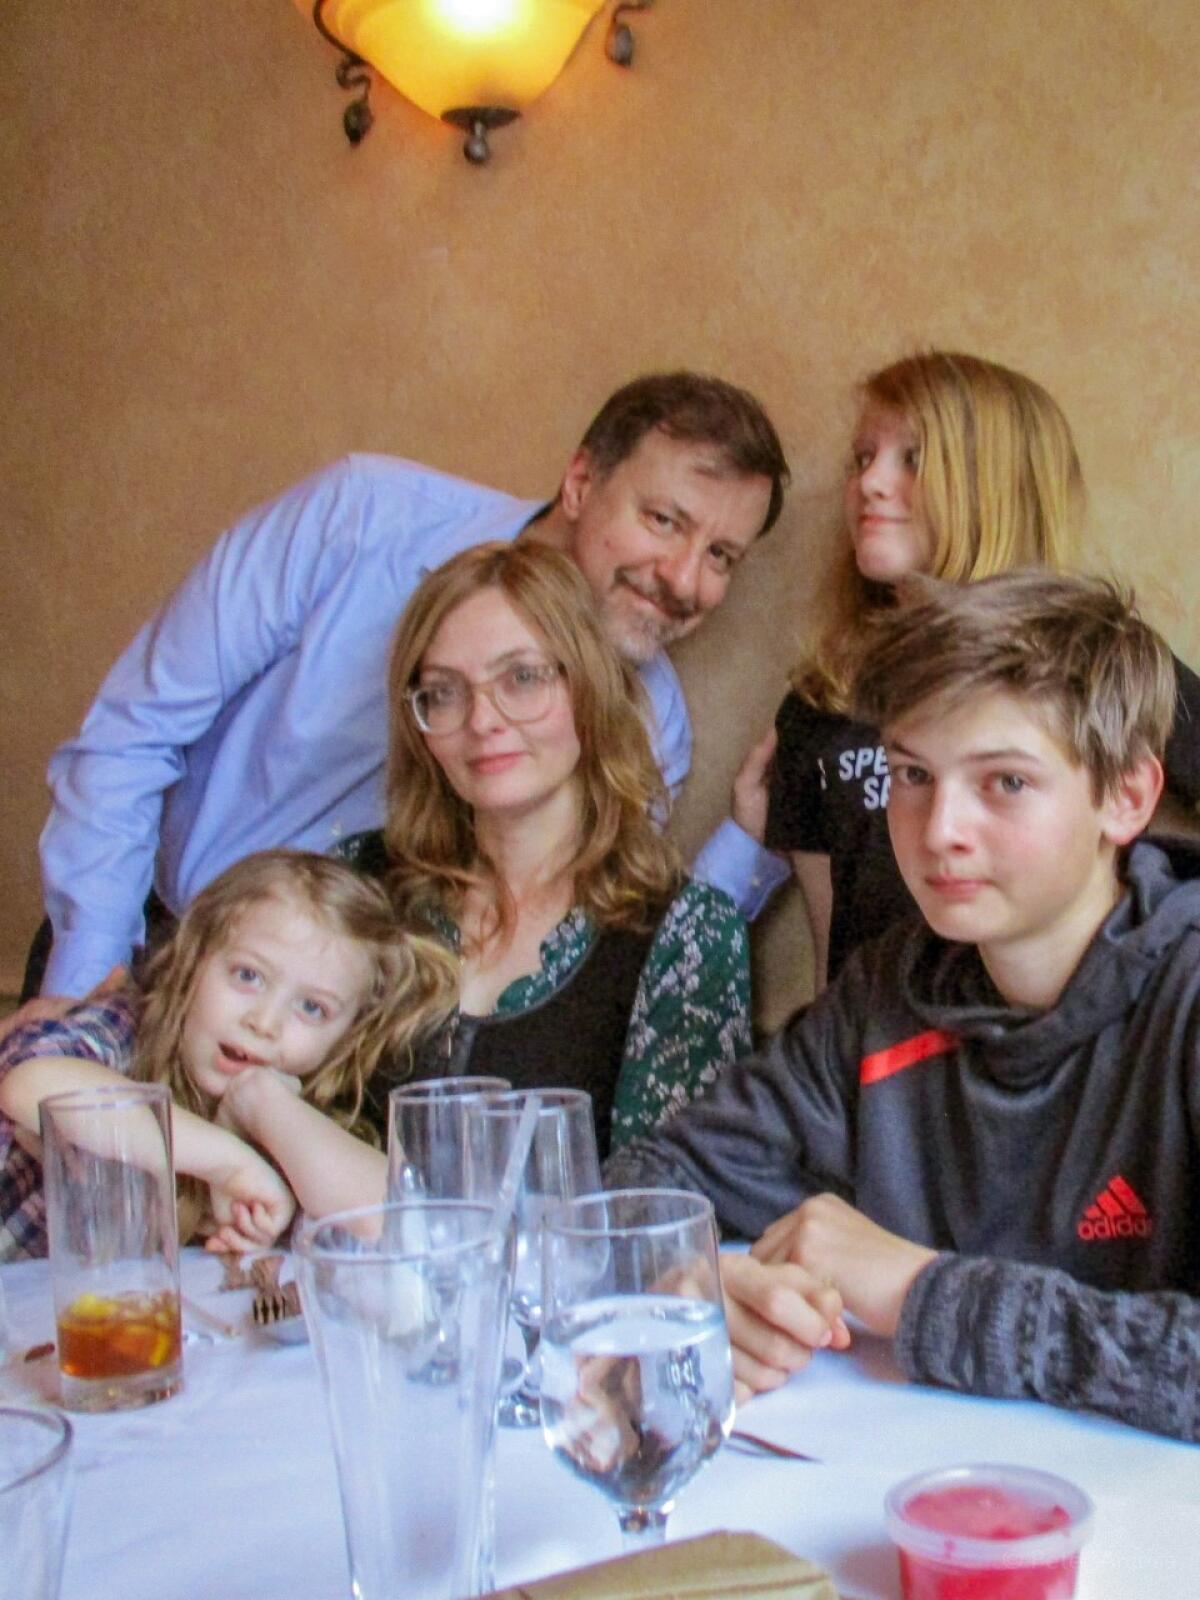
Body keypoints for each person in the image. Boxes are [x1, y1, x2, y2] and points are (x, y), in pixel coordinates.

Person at [606, 570, 1200, 1442]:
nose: (938, 829)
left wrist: (922, 1291)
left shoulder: (1185, 992)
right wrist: (681, 1280)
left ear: (1126, 798)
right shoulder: (887, 991)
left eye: (1004, 783)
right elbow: (640, 1189)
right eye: (912, 774)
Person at [27, 372, 792, 1005]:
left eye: (722, 555)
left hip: (352, 1049)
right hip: (150, 954)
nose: (685, 579)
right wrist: (86, 992)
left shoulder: (650, 724)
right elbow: (132, 731)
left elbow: (598, 936)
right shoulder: (360, 517)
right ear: (582, 480)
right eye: (663, 520)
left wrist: (756, 843)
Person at [763, 351, 1200, 987]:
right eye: (864, 458)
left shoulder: (1092, 667)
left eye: (911, 459)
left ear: (991, 482)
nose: (870, 485)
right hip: (892, 1058)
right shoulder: (816, 703)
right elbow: (837, 950)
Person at [341, 540, 753, 1158]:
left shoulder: (687, 934)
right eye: (445, 692)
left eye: (522, 678)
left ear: (588, 686)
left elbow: (661, 1206)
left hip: (573, 1259)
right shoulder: (357, 883)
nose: (483, 720)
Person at [0, 851, 456, 1259]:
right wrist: (230, 1162)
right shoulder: (124, 1031)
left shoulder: (290, 1113)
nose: (264, 1021)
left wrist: (263, 1103)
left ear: (349, 1033)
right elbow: (29, 1084)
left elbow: (405, 1226)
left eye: (312, 1008)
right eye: (248, 976)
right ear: (194, 958)